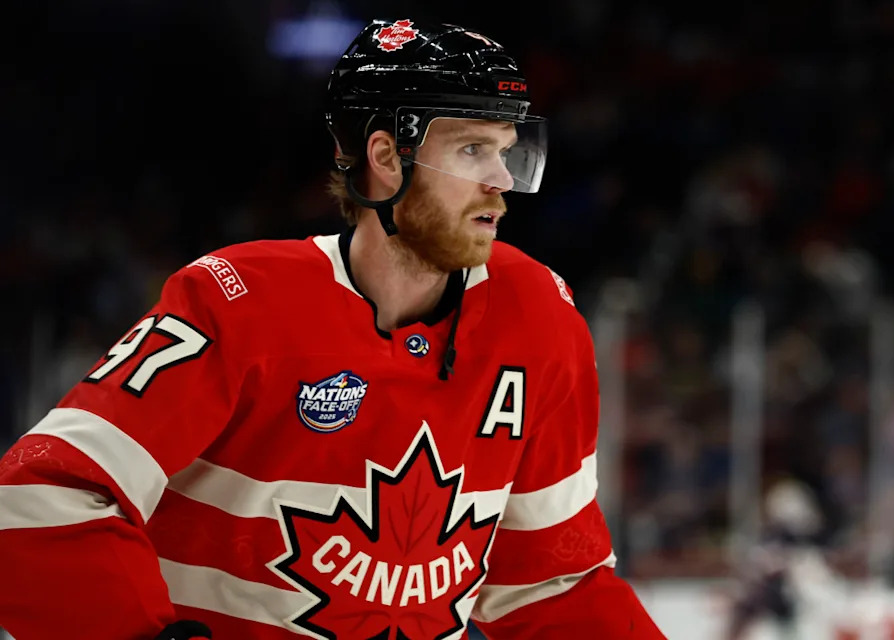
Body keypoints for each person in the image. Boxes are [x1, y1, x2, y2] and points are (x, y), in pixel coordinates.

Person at [0, 19, 666, 640]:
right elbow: (41, 498)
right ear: (385, 155)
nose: (501, 181)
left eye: (507, 151)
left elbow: (551, 583)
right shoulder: (238, 302)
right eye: (472, 149)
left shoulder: (540, 317)